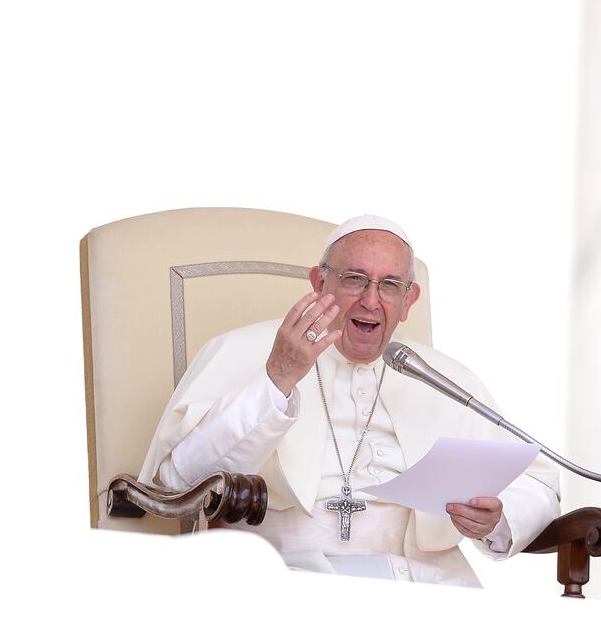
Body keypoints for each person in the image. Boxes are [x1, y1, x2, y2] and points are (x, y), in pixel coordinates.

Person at [139, 215, 560, 586]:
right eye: (355, 278)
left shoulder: (446, 376)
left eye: (390, 285)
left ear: (409, 301)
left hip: (427, 580)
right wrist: (278, 377)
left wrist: (497, 517)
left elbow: (538, 482)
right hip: (281, 573)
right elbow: (178, 478)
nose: (371, 300)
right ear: (320, 282)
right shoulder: (243, 349)